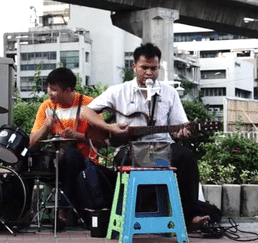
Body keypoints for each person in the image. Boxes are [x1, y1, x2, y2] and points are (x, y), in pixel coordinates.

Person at [85, 43, 210, 228]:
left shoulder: (169, 92)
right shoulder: (119, 91)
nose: (149, 72)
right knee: (128, 160)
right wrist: (109, 127)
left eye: (154, 68)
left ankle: (189, 217)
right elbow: (85, 112)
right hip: (129, 149)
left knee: (186, 157)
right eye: (144, 67)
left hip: (163, 147)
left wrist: (184, 132)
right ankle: (136, 214)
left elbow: (180, 125)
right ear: (134, 66)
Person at [29, 67, 125, 231]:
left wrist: (77, 136)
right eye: (49, 88)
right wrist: (46, 126)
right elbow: (31, 142)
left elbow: (104, 142)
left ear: (68, 90)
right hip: (55, 160)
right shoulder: (46, 106)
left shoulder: (89, 105)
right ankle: (20, 214)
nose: (49, 93)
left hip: (85, 161)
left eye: (54, 89)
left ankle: (62, 213)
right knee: (28, 155)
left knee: (72, 156)